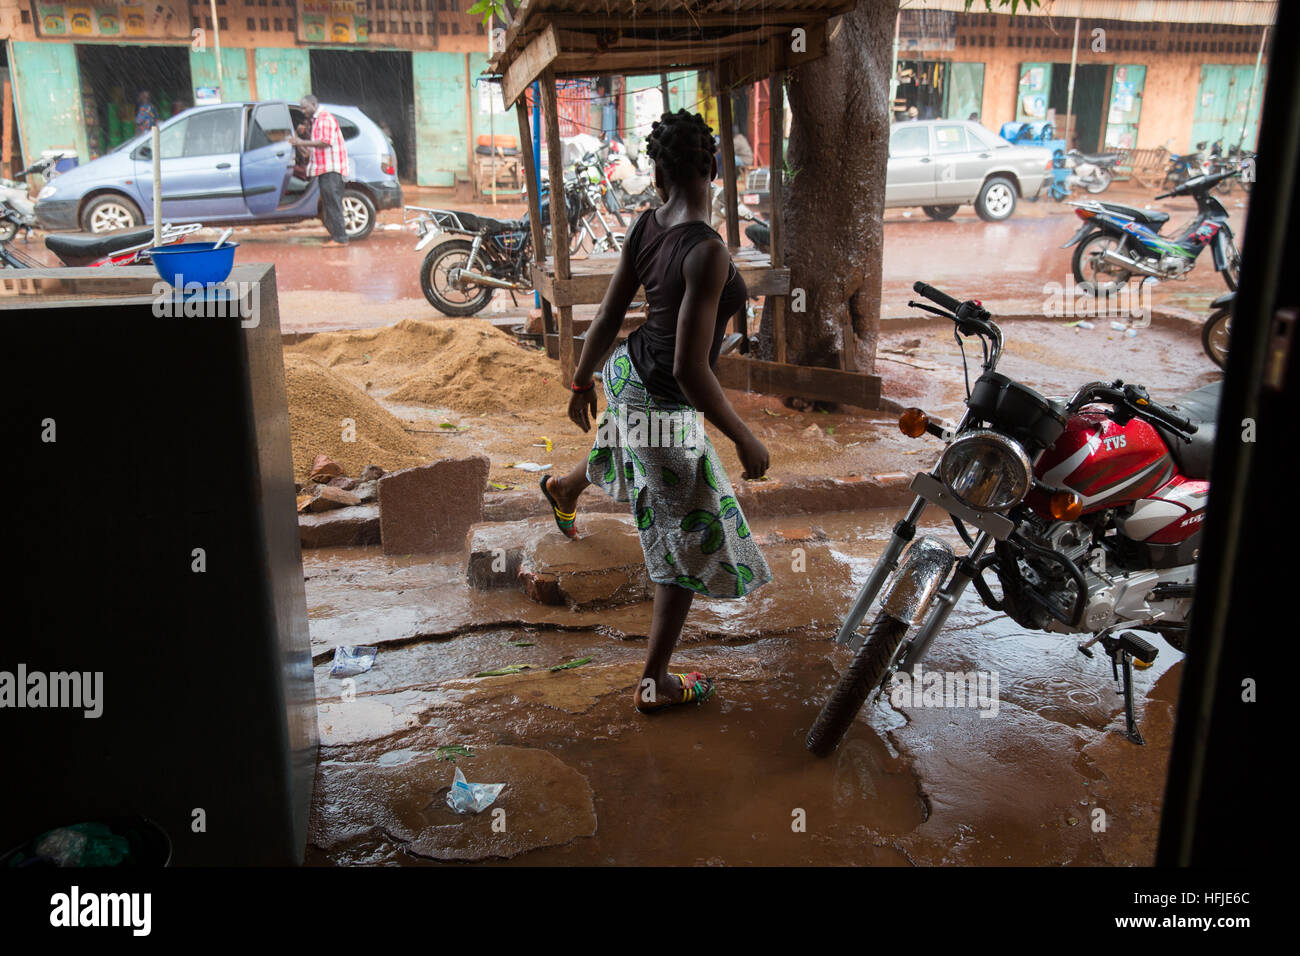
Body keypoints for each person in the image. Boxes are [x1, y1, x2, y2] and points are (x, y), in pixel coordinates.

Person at [538, 109, 772, 715]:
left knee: (622, 440)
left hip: (624, 373)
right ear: (715, 167)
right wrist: (744, 438)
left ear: (659, 175)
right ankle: (656, 682)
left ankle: (563, 489)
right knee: (688, 535)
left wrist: (582, 379)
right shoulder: (708, 252)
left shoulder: (646, 226)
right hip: (666, 404)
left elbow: (609, 318)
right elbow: (693, 371)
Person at [289, 95, 351, 246]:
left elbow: (325, 142)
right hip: (325, 169)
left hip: (331, 169)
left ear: (314, 104)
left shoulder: (324, 119)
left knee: (332, 204)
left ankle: (340, 238)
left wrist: (301, 141)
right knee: (330, 204)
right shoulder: (317, 121)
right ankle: (337, 236)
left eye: (305, 107)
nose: (303, 111)